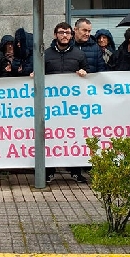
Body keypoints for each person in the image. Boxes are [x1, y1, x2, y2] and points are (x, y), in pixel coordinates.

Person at [43, 22, 88, 184]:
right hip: (51, 106)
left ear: (71, 35)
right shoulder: (46, 54)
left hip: (72, 106)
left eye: (67, 33)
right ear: (55, 35)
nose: (65, 35)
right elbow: (37, 73)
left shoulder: (79, 54)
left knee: (74, 137)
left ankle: (75, 171)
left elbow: (87, 75)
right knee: (50, 138)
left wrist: (84, 73)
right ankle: (49, 172)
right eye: (61, 32)